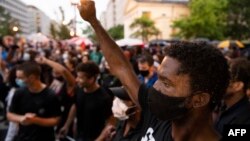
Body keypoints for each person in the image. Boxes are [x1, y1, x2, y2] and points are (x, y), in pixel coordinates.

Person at [78, 1, 230, 140]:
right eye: (158, 78)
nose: (155, 87)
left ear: (199, 100)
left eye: (166, 83)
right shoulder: (157, 114)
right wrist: (93, 21)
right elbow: (122, 68)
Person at [7, 62, 62, 141]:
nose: (17, 80)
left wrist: (35, 120)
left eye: (21, 78)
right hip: (23, 137)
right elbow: (10, 114)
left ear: (32, 77)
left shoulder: (50, 95)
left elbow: (56, 120)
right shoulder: (19, 92)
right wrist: (22, 118)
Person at [59, 61, 113, 141]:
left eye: (80, 78)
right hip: (79, 136)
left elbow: (110, 123)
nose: (77, 80)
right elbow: (75, 106)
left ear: (92, 78)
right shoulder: (79, 90)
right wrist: (66, 125)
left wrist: (99, 139)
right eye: (77, 76)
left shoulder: (104, 98)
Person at [214, 58, 250, 134]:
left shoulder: (244, 120)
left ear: (238, 86)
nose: (216, 83)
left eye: (223, 79)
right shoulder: (224, 107)